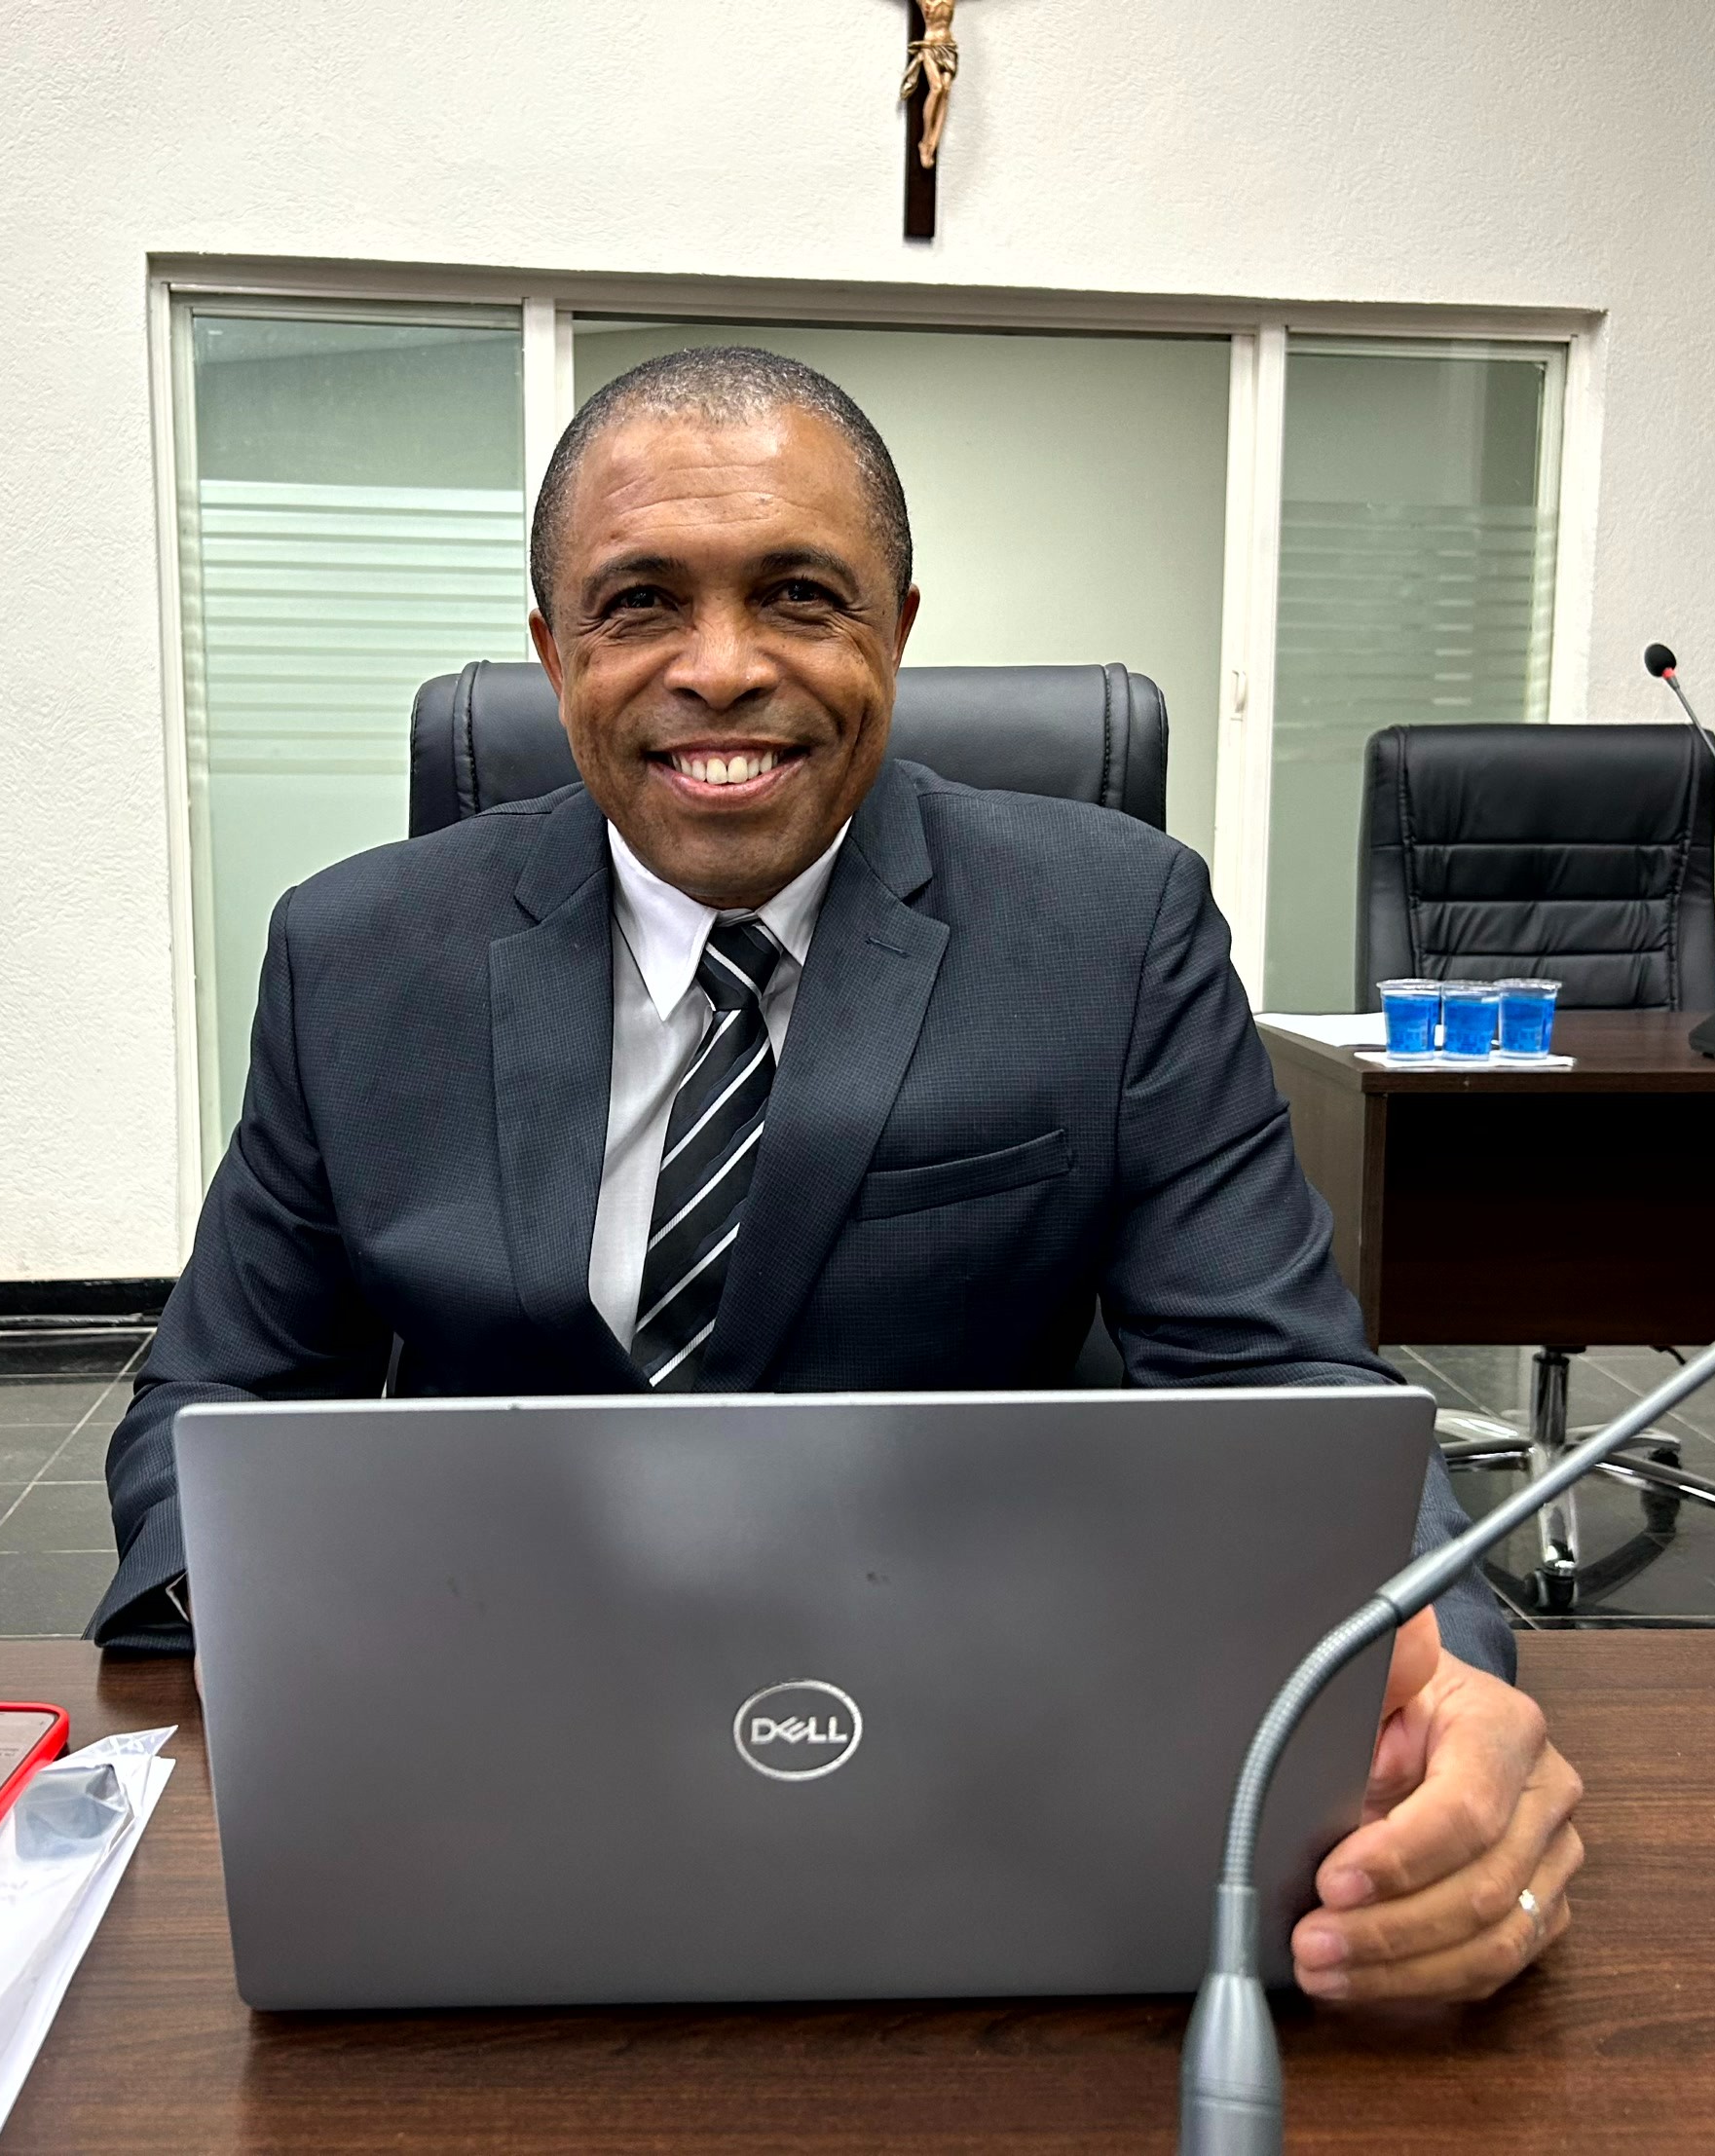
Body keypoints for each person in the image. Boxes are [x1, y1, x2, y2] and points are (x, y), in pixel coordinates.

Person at [96, 346, 1585, 2006]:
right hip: (490, 1776)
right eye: (641, 603)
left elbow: (1291, 1398)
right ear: (554, 651)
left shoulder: (1114, 931)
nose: (723, 667)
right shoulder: (354, 955)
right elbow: (209, 1403)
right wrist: (278, 1637)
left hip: (986, 1777)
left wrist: (1441, 1683)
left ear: (897, 628)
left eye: (799, 596)